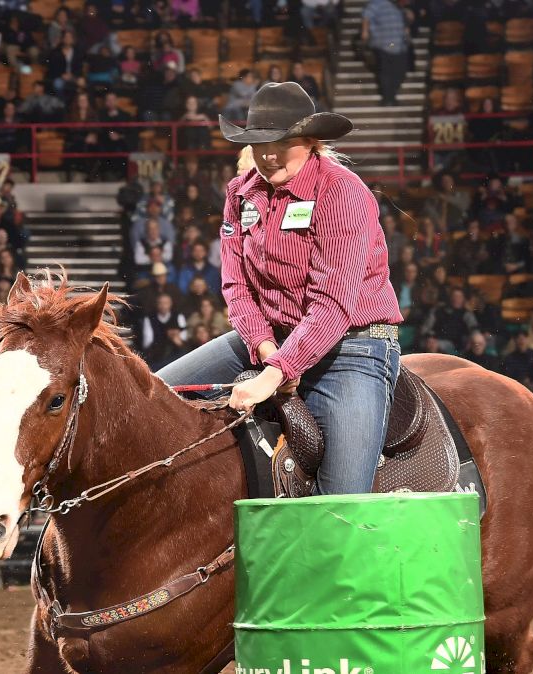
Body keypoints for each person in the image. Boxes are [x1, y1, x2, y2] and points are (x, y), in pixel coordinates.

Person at [157, 82, 403, 495]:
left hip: (352, 346)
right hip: (269, 340)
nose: (268, 155)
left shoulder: (342, 192)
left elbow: (333, 304)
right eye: (258, 144)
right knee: (152, 401)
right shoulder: (240, 192)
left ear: (310, 142)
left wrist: (276, 373)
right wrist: (266, 348)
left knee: (342, 496)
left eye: (281, 142)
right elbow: (236, 285)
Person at [361, 0, 408, 106]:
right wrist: (365, 31)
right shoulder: (377, 3)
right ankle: (387, 99)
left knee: (400, 73)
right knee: (385, 73)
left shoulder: (398, 5)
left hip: (399, 46)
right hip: (382, 44)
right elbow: (367, 14)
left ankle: (391, 96)